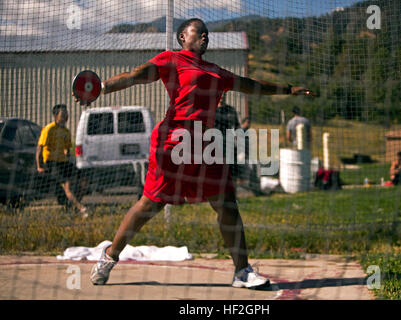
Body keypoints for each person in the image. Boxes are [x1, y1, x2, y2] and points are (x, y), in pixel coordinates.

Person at [78, 18, 314, 289]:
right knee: (150, 205)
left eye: (206, 33)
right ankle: (109, 257)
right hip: (173, 143)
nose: (204, 36)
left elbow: (248, 84)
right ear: (182, 37)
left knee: (227, 203)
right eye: (198, 32)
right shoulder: (172, 60)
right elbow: (135, 75)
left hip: (205, 146)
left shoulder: (215, 71)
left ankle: (242, 271)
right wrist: (102, 87)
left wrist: (286, 89)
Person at [36, 104, 88, 217]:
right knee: (67, 186)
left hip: (63, 162)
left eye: (67, 114)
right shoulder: (48, 129)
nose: (66, 116)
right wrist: (39, 166)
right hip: (52, 163)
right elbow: (39, 148)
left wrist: (67, 154)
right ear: (55, 115)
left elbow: (67, 149)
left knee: (83, 180)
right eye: (63, 114)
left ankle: (73, 204)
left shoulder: (66, 132)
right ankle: (81, 209)